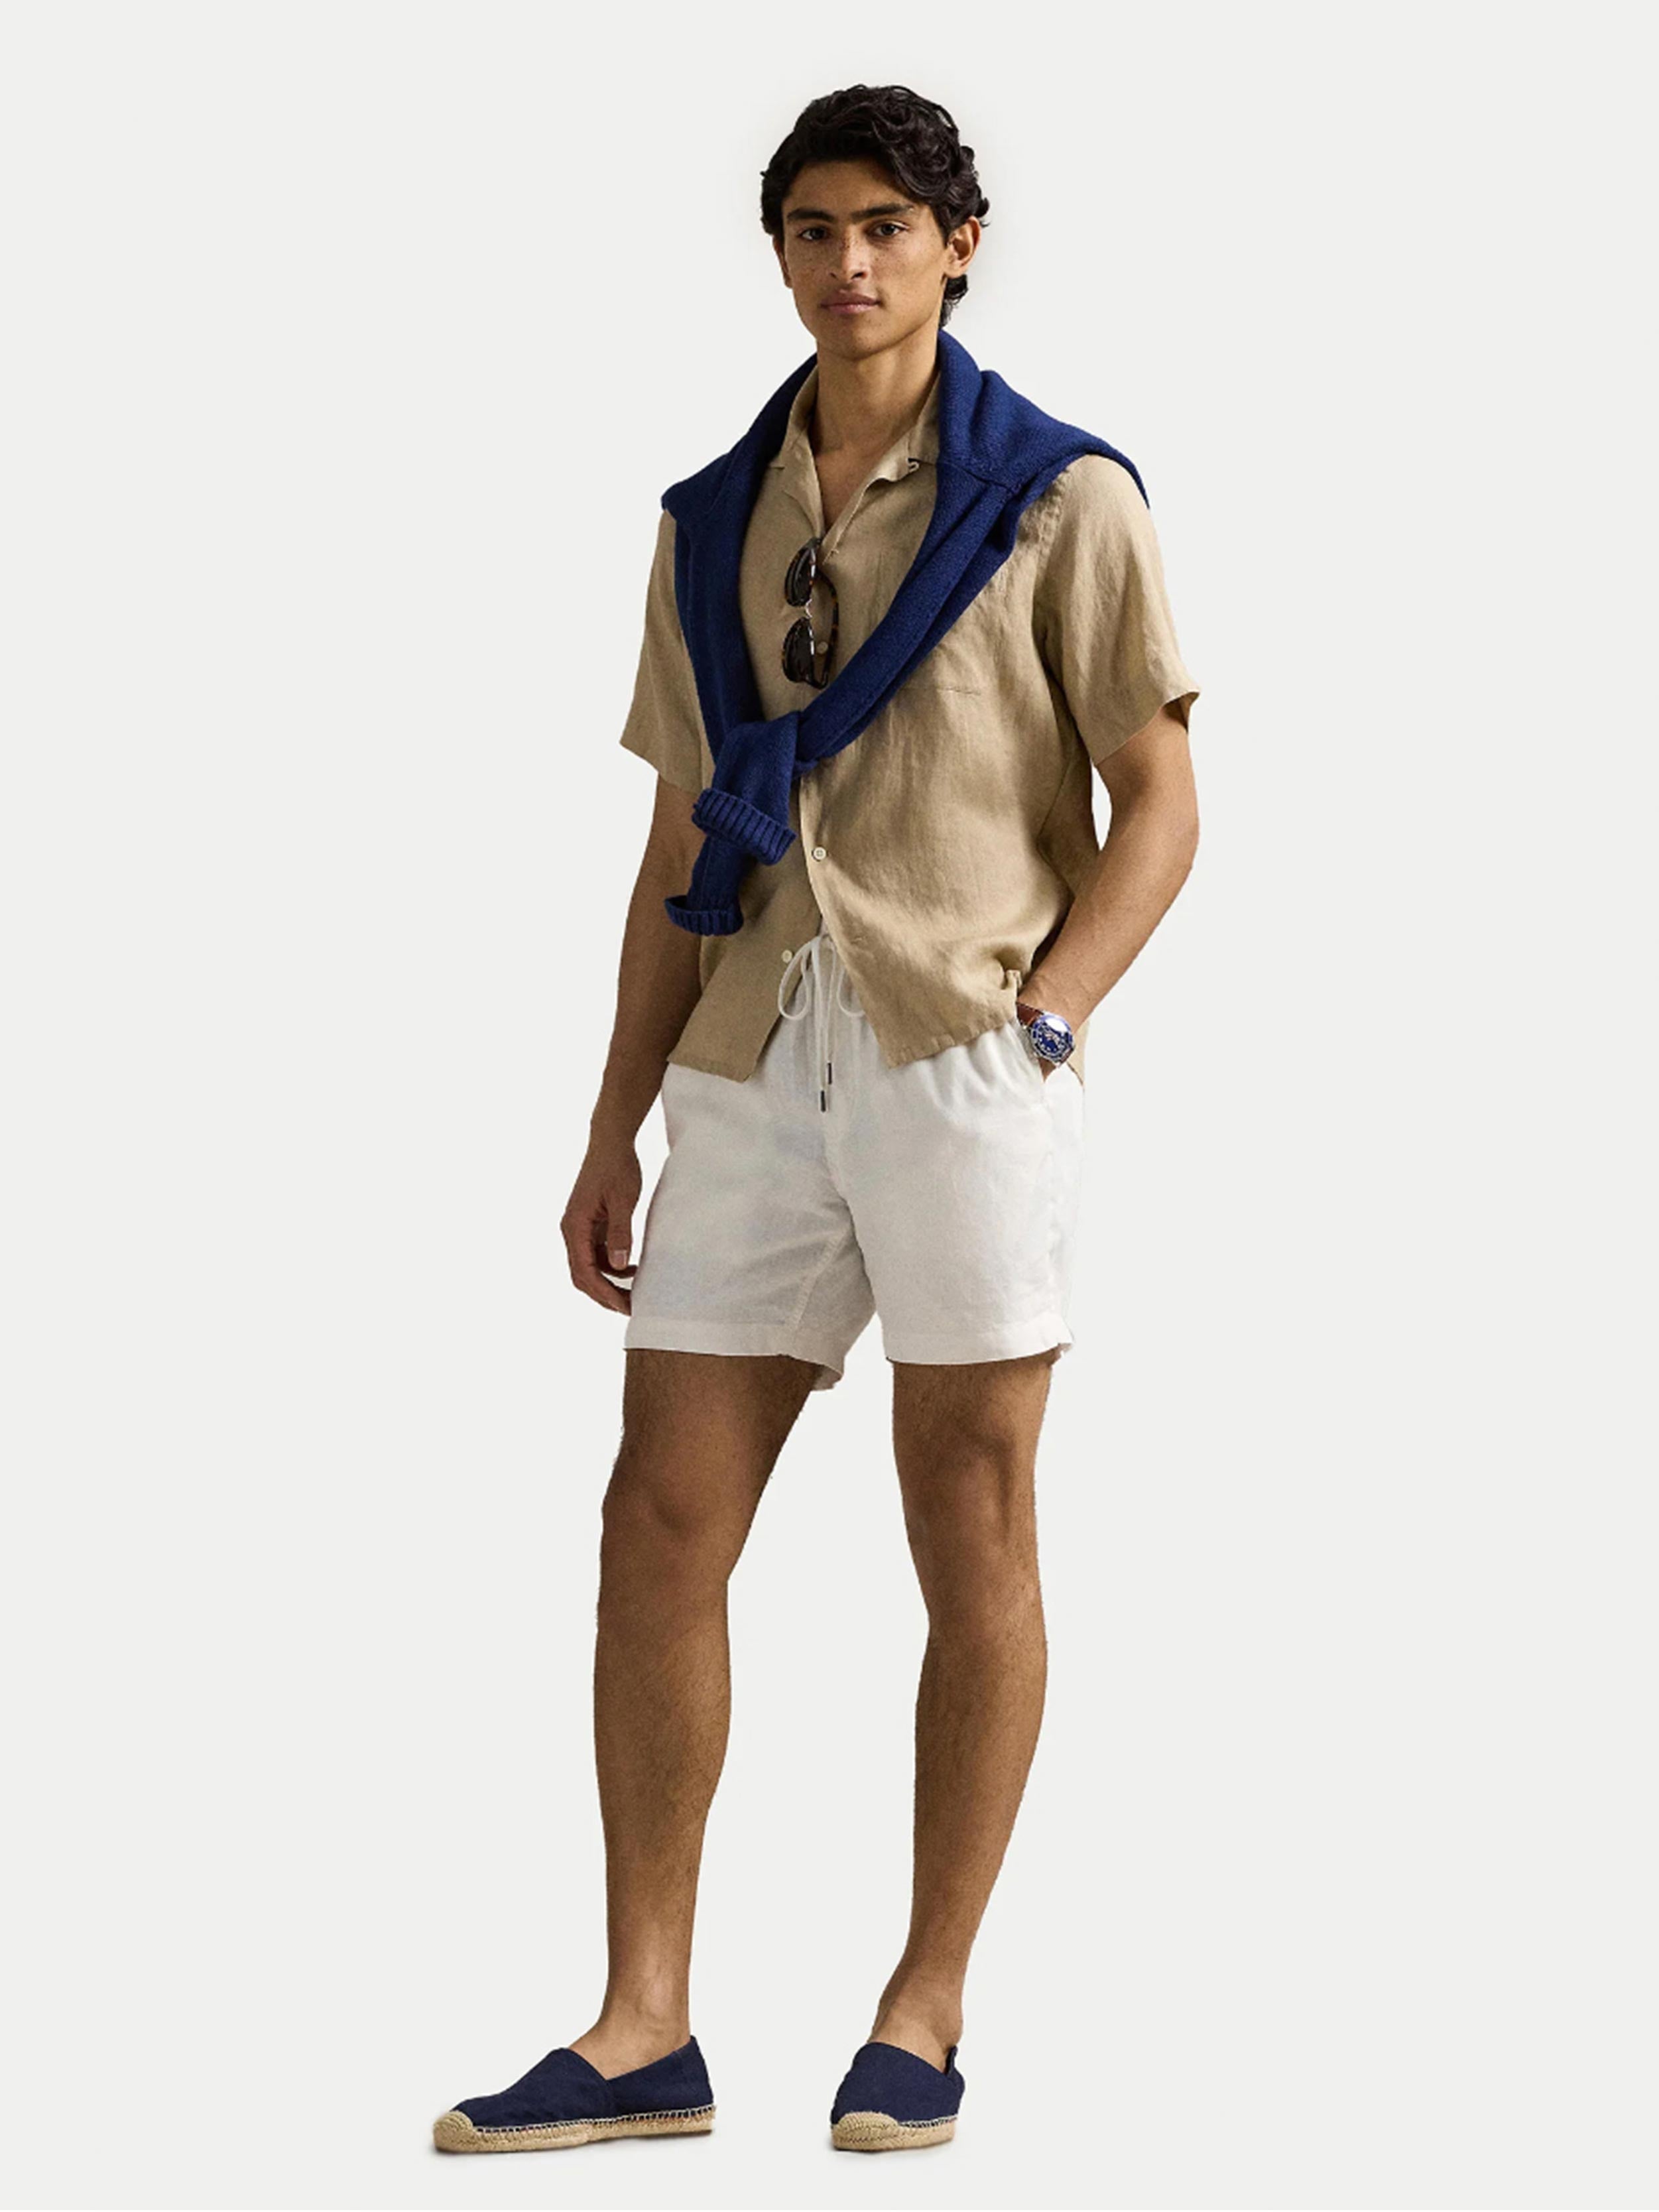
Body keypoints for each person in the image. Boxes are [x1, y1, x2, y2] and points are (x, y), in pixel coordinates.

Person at [433, 81, 1201, 2159]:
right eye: (811, 229)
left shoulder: (1060, 500)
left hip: (963, 1053)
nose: (848, 264)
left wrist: (1048, 1019)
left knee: (972, 1519)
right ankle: (643, 2027)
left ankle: (924, 2010)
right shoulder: (710, 519)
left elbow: (1163, 804)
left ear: (959, 246)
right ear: (778, 253)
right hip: (752, 1054)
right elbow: (679, 837)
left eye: (884, 227)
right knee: (657, 1522)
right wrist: (611, 1123)